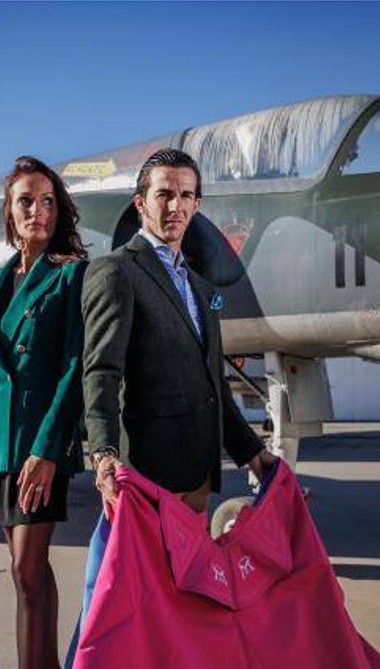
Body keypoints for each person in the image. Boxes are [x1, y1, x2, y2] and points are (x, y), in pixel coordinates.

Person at [0, 156, 87, 669]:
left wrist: (48, 449)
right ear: (10, 214)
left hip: (38, 446)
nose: (36, 211)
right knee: (26, 573)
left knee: (26, 566)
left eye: (46, 200)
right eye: (25, 201)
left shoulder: (70, 277)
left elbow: (72, 368)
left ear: (58, 210)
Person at [82, 148, 273, 515]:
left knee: (190, 575)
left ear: (197, 204)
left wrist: (252, 454)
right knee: (144, 575)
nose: (176, 207)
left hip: (197, 478)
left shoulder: (201, 289)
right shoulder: (116, 272)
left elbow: (212, 387)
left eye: (186, 196)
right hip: (144, 476)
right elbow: (101, 372)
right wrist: (104, 454)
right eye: (164, 195)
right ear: (141, 203)